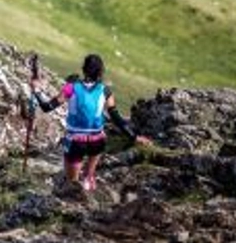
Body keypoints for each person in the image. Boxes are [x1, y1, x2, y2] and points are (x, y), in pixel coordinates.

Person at [30, 54, 150, 192]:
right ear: (101, 72)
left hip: (75, 141)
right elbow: (116, 118)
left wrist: (36, 90)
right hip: (97, 141)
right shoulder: (105, 91)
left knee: (72, 184)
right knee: (88, 176)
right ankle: (89, 186)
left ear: (83, 69)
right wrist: (135, 137)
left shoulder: (70, 88)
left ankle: (75, 202)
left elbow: (47, 107)